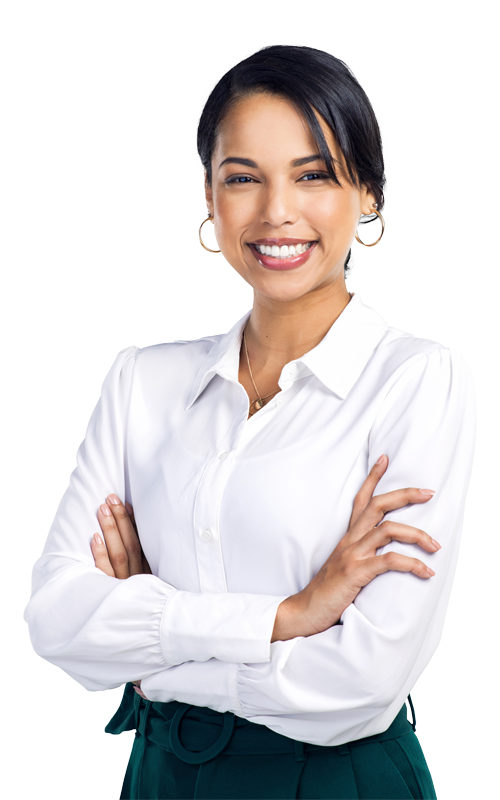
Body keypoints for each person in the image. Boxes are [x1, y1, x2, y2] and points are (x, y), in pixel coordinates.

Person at [24, 44, 476, 799]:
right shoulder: (145, 381)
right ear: (209, 196)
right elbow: (55, 622)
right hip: (160, 773)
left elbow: (364, 679)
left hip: (336, 779)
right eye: (243, 178)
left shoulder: (414, 382)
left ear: (367, 194)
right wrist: (292, 614)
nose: (276, 212)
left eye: (314, 175)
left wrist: (153, 648)